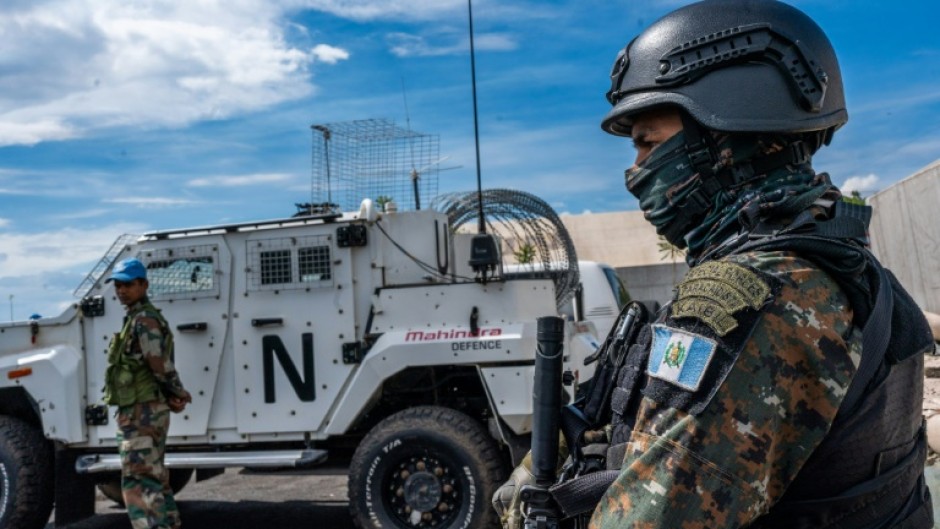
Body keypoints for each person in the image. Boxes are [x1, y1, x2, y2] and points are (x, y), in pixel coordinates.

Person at [494, 0, 935, 527]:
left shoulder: (755, 298)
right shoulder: (842, 266)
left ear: (725, 138)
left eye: (648, 143)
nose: (635, 171)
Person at [103, 257, 193, 529]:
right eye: (118, 285)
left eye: (128, 285)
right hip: (144, 410)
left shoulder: (144, 319)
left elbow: (158, 363)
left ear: (144, 284)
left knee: (140, 480)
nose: (121, 291)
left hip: (141, 412)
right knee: (154, 478)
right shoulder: (138, 318)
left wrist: (177, 392)